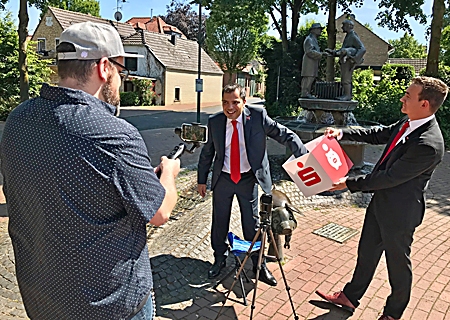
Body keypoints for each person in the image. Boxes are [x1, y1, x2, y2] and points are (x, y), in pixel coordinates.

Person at [0, 21, 180, 320]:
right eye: (121, 72)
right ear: (104, 68)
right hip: (108, 306)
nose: (120, 81)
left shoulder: (18, 120)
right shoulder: (113, 134)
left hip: (41, 298)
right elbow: (159, 213)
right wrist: (169, 175)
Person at [315, 76, 448, 320]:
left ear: (425, 104)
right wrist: (343, 133)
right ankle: (350, 297)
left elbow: (390, 177)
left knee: (397, 266)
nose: (402, 98)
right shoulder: (409, 122)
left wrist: (348, 183)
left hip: (401, 213)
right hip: (381, 204)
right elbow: (380, 133)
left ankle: (393, 314)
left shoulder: (429, 144)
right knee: (366, 253)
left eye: (408, 95)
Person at [197, 83, 308, 286]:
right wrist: (202, 179)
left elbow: (285, 135)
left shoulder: (257, 116)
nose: (230, 108)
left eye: (235, 103)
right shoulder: (215, 121)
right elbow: (208, 152)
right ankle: (219, 258)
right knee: (219, 220)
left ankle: (259, 264)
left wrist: (303, 156)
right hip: (224, 178)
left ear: (244, 101)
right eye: (225, 103)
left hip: (248, 179)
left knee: (253, 224)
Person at [325, 19, 366, 101]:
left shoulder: (353, 36)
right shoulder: (349, 36)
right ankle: (346, 94)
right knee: (344, 78)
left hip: (348, 61)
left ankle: (347, 95)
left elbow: (362, 48)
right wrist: (333, 53)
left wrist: (355, 58)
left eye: (344, 25)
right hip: (345, 60)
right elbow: (343, 50)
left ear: (349, 26)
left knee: (346, 79)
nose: (342, 27)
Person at [301, 23, 324, 99]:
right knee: (308, 77)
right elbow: (309, 51)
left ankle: (307, 93)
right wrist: (321, 54)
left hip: (312, 63)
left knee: (311, 77)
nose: (320, 31)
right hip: (309, 63)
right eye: (318, 29)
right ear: (313, 30)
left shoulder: (313, 39)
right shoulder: (309, 39)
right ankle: (305, 93)